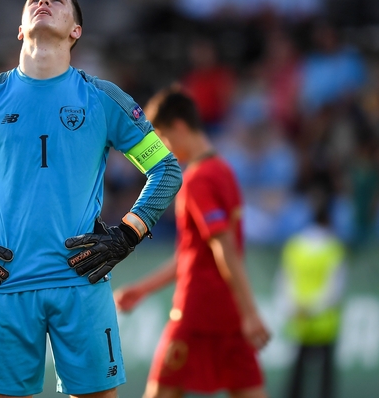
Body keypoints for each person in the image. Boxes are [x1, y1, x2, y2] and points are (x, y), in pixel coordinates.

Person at [0, 0, 183, 398]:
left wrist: (128, 234)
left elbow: (165, 169)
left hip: (81, 284)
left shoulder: (104, 100)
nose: (44, 2)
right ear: (20, 28)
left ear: (76, 30)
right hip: (4, 286)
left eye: (57, 0)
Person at [114, 88, 270, 398]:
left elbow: (222, 248)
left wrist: (252, 312)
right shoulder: (224, 172)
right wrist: (143, 289)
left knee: (160, 392)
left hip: (196, 312)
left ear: (180, 128)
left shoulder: (198, 180)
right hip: (229, 313)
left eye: (164, 139)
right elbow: (194, 254)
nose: (165, 149)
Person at [279, 193, 346, 398]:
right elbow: (335, 289)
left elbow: (284, 282)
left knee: (297, 375)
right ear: (329, 221)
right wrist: (314, 307)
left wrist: (297, 307)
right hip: (325, 322)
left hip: (301, 319)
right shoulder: (334, 248)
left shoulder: (294, 246)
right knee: (326, 378)